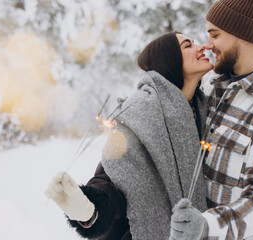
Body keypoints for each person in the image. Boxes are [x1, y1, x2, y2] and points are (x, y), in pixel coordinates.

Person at [45, 31, 214, 240]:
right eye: (188, 45)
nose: (201, 47)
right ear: (170, 59)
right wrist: (90, 209)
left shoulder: (205, 108)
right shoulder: (142, 112)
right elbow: (115, 174)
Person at [169, 0, 253, 239]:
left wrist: (206, 226)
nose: (208, 45)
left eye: (215, 35)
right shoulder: (216, 91)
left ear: (245, 35)